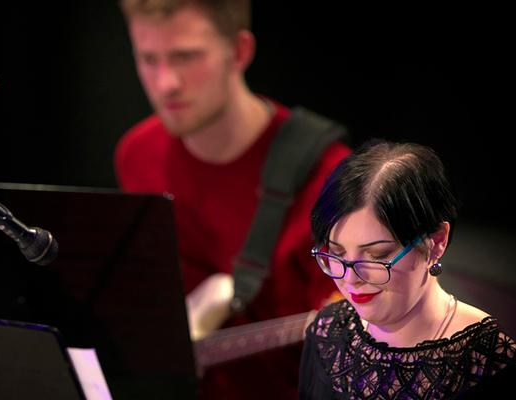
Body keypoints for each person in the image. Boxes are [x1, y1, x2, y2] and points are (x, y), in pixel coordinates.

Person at [116, 0, 350, 397]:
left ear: (239, 52)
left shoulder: (334, 176)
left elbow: (354, 343)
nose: (165, 82)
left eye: (186, 57)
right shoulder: (136, 155)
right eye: (148, 59)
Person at [300, 141, 516, 398]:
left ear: (436, 242)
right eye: (337, 253)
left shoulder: (491, 367)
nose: (350, 279)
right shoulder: (329, 333)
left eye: (377, 255)